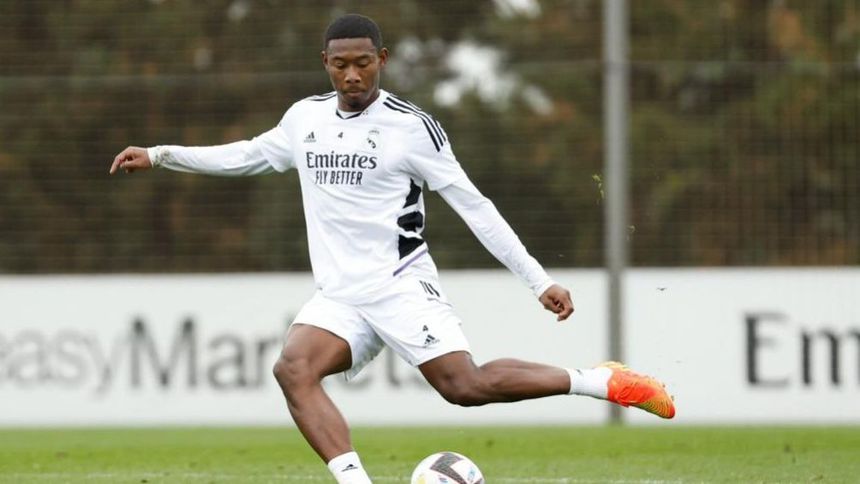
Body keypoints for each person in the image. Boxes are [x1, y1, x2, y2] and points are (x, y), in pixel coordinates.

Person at [110, 14, 675, 484]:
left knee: (465, 388)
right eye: (340, 64)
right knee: (293, 368)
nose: (352, 74)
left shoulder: (412, 129)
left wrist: (538, 280)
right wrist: (161, 155)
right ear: (325, 63)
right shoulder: (305, 119)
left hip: (401, 284)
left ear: (382, 59)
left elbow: (474, 206)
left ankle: (602, 382)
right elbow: (246, 155)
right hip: (340, 295)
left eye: (363, 62)